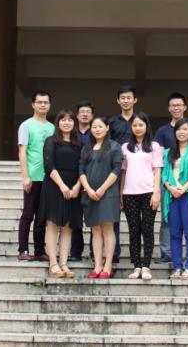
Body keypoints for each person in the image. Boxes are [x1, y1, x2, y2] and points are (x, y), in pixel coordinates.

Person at [153, 92, 188, 263]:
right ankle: (167, 253)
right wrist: (168, 185)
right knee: (166, 220)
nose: (176, 108)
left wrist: (185, 186)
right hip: (169, 184)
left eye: (179, 105)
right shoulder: (162, 131)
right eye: (173, 105)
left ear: (185, 107)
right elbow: (158, 157)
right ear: (168, 108)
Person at [38, 110, 83, 279]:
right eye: (63, 119)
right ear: (58, 123)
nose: (67, 122)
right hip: (54, 186)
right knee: (53, 224)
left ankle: (63, 263)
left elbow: (83, 167)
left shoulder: (78, 144)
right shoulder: (51, 141)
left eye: (70, 120)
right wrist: (62, 186)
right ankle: (53, 263)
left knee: (68, 226)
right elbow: (49, 165)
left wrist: (77, 186)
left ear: (74, 123)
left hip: (74, 188)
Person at [120, 112, 163, 280]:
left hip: (148, 193)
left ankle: (146, 266)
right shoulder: (125, 147)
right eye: (135, 125)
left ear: (146, 126)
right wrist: (121, 194)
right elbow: (123, 172)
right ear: (131, 127)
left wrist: (156, 193)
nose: (138, 128)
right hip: (129, 193)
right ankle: (136, 266)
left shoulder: (154, 146)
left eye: (141, 125)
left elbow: (157, 171)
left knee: (147, 229)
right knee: (134, 231)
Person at [162, 118, 188, 280]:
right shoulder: (168, 152)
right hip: (172, 196)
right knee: (174, 234)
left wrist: (184, 188)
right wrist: (171, 188)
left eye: (185, 129)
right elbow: (164, 175)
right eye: (179, 129)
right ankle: (177, 267)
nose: (181, 132)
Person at [79, 117, 122, 279]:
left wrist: (102, 189)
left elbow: (117, 169)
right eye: (94, 127)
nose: (97, 129)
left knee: (108, 228)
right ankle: (97, 266)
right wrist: (89, 189)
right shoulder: (86, 148)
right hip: (90, 194)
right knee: (95, 230)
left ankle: (108, 265)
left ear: (107, 128)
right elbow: (81, 170)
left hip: (109, 194)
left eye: (100, 126)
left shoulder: (114, 146)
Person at [18, 91, 55, 262]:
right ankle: (23, 249)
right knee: (28, 214)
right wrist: (25, 176)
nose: (43, 105)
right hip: (33, 177)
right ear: (33, 104)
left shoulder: (52, 127)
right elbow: (22, 151)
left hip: (49, 178)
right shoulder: (26, 125)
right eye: (39, 102)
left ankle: (40, 251)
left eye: (46, 102)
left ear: (49, 105)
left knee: (42, 217)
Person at [106, 86, 138, 263]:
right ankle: (114, 253)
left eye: (129, 98)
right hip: (116, 172)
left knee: (136, 216)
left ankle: (136, 254)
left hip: (136, 172)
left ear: (135, 100)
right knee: (114, 214)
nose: (126, 101)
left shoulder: (140, 121)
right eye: (123, 98)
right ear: (118, 101)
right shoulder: (112, 122)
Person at [69, 100, 95, 262]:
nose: (85, 114)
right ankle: (75, 252)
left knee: (94, 218)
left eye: (88, 112)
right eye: (82, 112)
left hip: (93, 179)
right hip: (73, 180)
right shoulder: (71, 133)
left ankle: (94, 251)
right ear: (77, 116)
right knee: (75, 218)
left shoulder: (97, 132)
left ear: (92, 115)